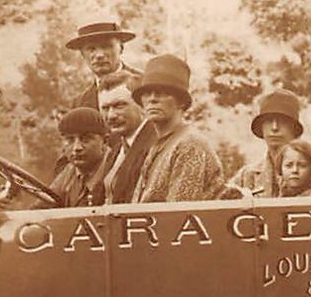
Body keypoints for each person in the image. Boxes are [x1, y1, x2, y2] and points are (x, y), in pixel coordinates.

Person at [130, 55, 227, 203]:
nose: (152, 99)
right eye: (147, 93)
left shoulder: (190, 144)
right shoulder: (158, 146)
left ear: (181, 101)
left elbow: (178, 214)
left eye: (162, 93)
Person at [232, 89, 305, 197]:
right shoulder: (248, 176)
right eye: (269, 121)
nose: (274, 128)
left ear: (294, 128)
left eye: (283, 121)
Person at [97, 71, 156, 205]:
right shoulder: (117, 149)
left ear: (142, 105)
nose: (111, 115)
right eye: (105, 108)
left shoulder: (155, 145)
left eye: (119, 105)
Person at [66, 21, 140, 111]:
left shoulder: (145, 85)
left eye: (106, 46)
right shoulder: (79, 105)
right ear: (82, 54)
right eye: (91, 49)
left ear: (121, 48)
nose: (99, 55)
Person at [50, 107, 112, 207]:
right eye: (70, 140)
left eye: (86, 139)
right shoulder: (70, 171)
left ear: (105, 141)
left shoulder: (116, 171)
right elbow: (45, 202)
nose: (76, 147)